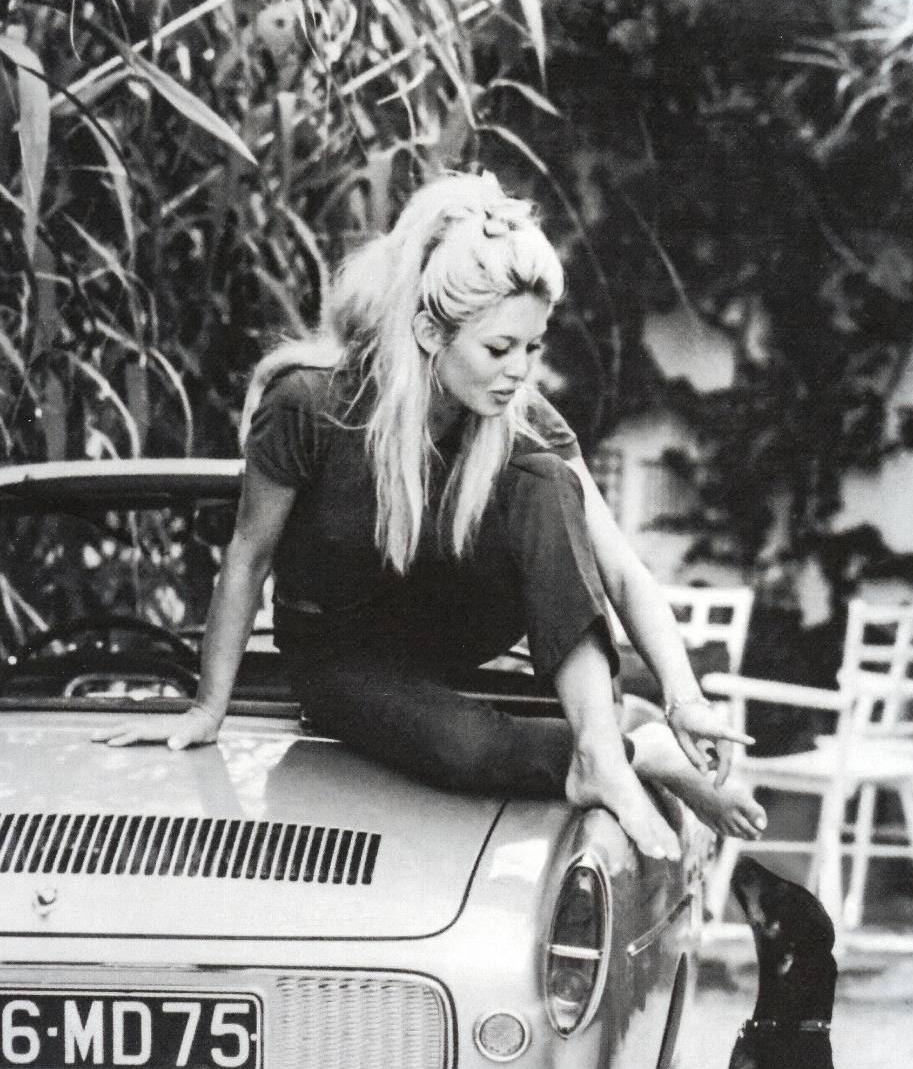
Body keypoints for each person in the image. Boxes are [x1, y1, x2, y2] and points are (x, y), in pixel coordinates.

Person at [94, 171, 766, 859]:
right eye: (498, 349)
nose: (519, 371)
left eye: (532, 348)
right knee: (467, 752)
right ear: (428, 331)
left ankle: (599, 747)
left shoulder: (521, 416)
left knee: (547, 481)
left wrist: (686, 698)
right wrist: (208, 709)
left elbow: (619, 570)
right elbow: (248, 555)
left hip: (452, 625)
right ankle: (638, 752)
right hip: (341, 653)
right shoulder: (311, 404)